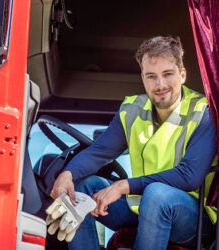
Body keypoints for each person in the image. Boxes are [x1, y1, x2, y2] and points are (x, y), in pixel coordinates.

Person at [50, 36, 217, 250]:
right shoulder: (132, 110)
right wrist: (67, 174)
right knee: (82, 188)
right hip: (143, 205)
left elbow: (189, 177)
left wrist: (123, 186)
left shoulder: (203, 112)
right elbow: (100, 151)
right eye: (151, 76)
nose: (160, 84)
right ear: (143, 78)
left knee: (157, 194)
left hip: (191, 218)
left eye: (168, 74)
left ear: (182, 75)